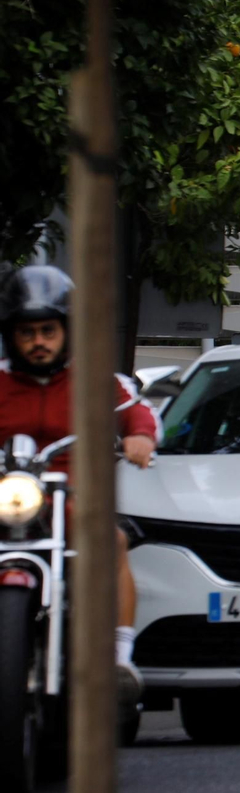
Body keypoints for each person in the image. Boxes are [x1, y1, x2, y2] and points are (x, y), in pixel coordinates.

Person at [0, 266, 159, 702]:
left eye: (48, 330)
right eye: (27, 332)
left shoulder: (93, 381)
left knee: (112, 543)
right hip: (9, 497)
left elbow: (136, 411)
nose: (38, 341)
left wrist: (140, 436)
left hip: (70, 498)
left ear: (67, 331)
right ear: (11, 335)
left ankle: (119, 659)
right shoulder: (0, 381)